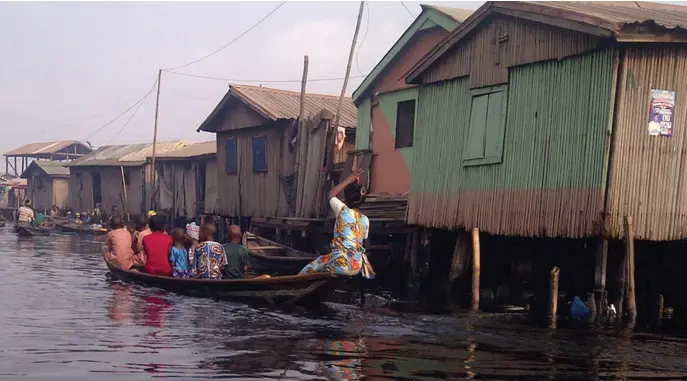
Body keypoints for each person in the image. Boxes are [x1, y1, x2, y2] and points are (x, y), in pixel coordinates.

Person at [299, 168, 374, 278]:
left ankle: (297, 282)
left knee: (314, 265)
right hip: (356, 266)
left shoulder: (342, 210)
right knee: (329, 257)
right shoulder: (365, 219)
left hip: (340, 265)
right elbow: (365, 244)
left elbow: (331, 194)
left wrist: (348, 180)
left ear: (346, 198)